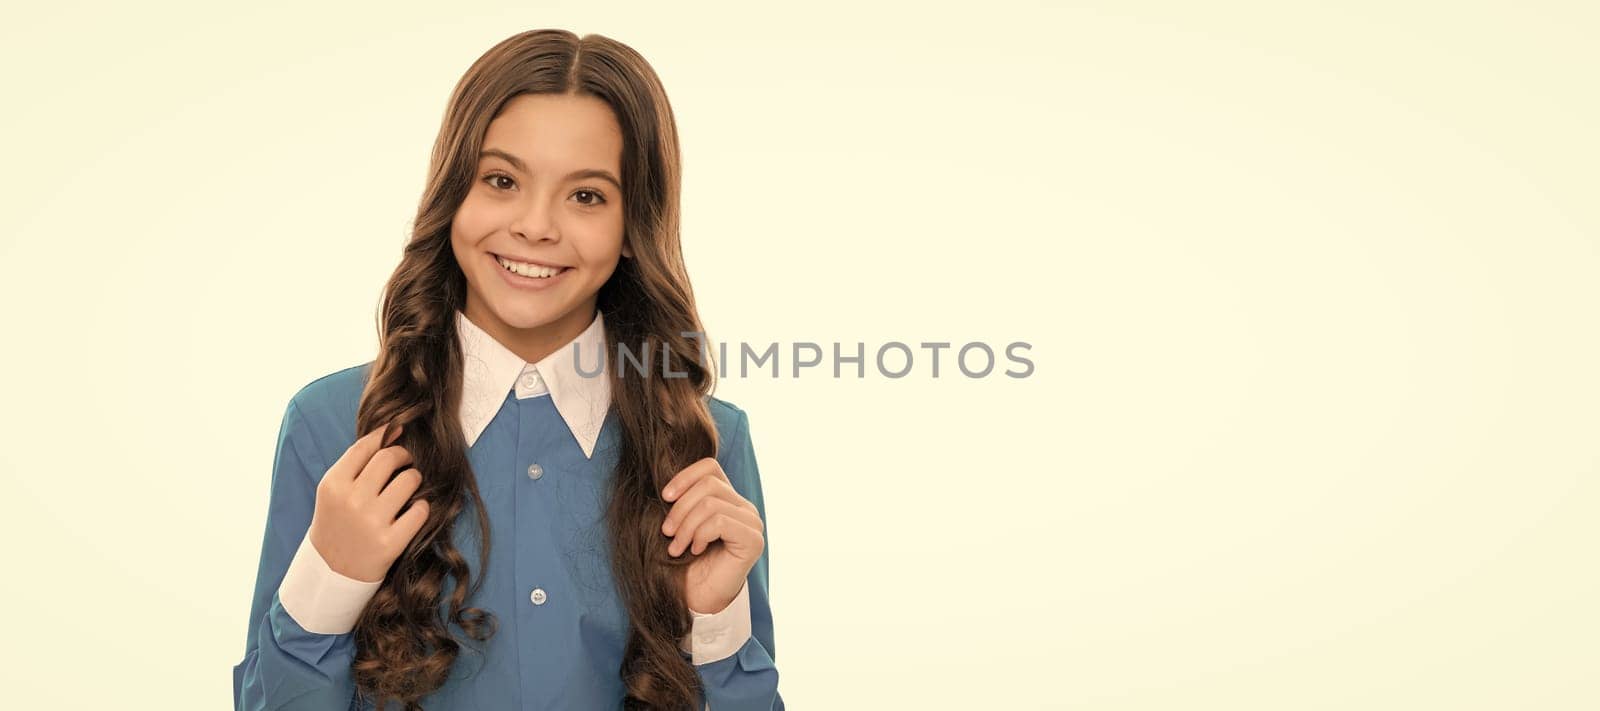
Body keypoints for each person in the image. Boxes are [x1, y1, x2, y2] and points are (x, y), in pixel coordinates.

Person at [231, 29, 782, 710]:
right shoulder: (331, 424)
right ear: (452, 191)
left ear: (632, 224)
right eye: (501, 180)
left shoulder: (708, 443)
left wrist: (718, 626)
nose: (535, 225)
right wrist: (330, 579)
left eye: (586, 196)